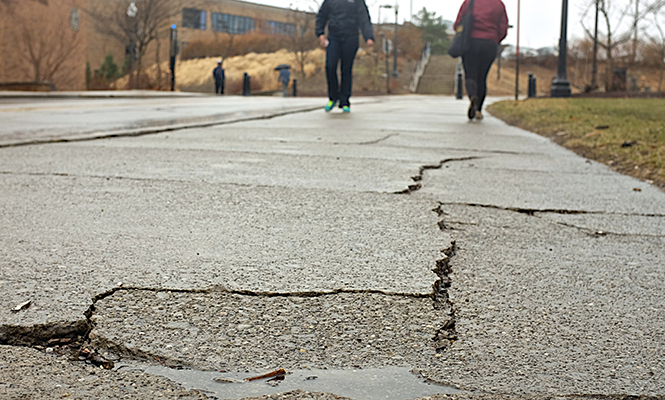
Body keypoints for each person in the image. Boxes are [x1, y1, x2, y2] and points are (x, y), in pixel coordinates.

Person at [316, 0, 374, 113]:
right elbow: (322, 15)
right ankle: (333, 97)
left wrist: (368, 36)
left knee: (346, 69)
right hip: (334, 37)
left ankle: (345, 101)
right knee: (330, 66)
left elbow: (364, 18)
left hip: (351, 37)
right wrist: (320, 33)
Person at [454, 0, 508, 120]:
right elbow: (503, 27)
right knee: (482, 77)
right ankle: (478, 109)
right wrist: (495, 39)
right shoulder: (498, 4)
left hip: (470, 42)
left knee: (470, 75)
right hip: (489, 43)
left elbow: (458, 22)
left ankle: (473, 96)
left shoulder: (469, 2)